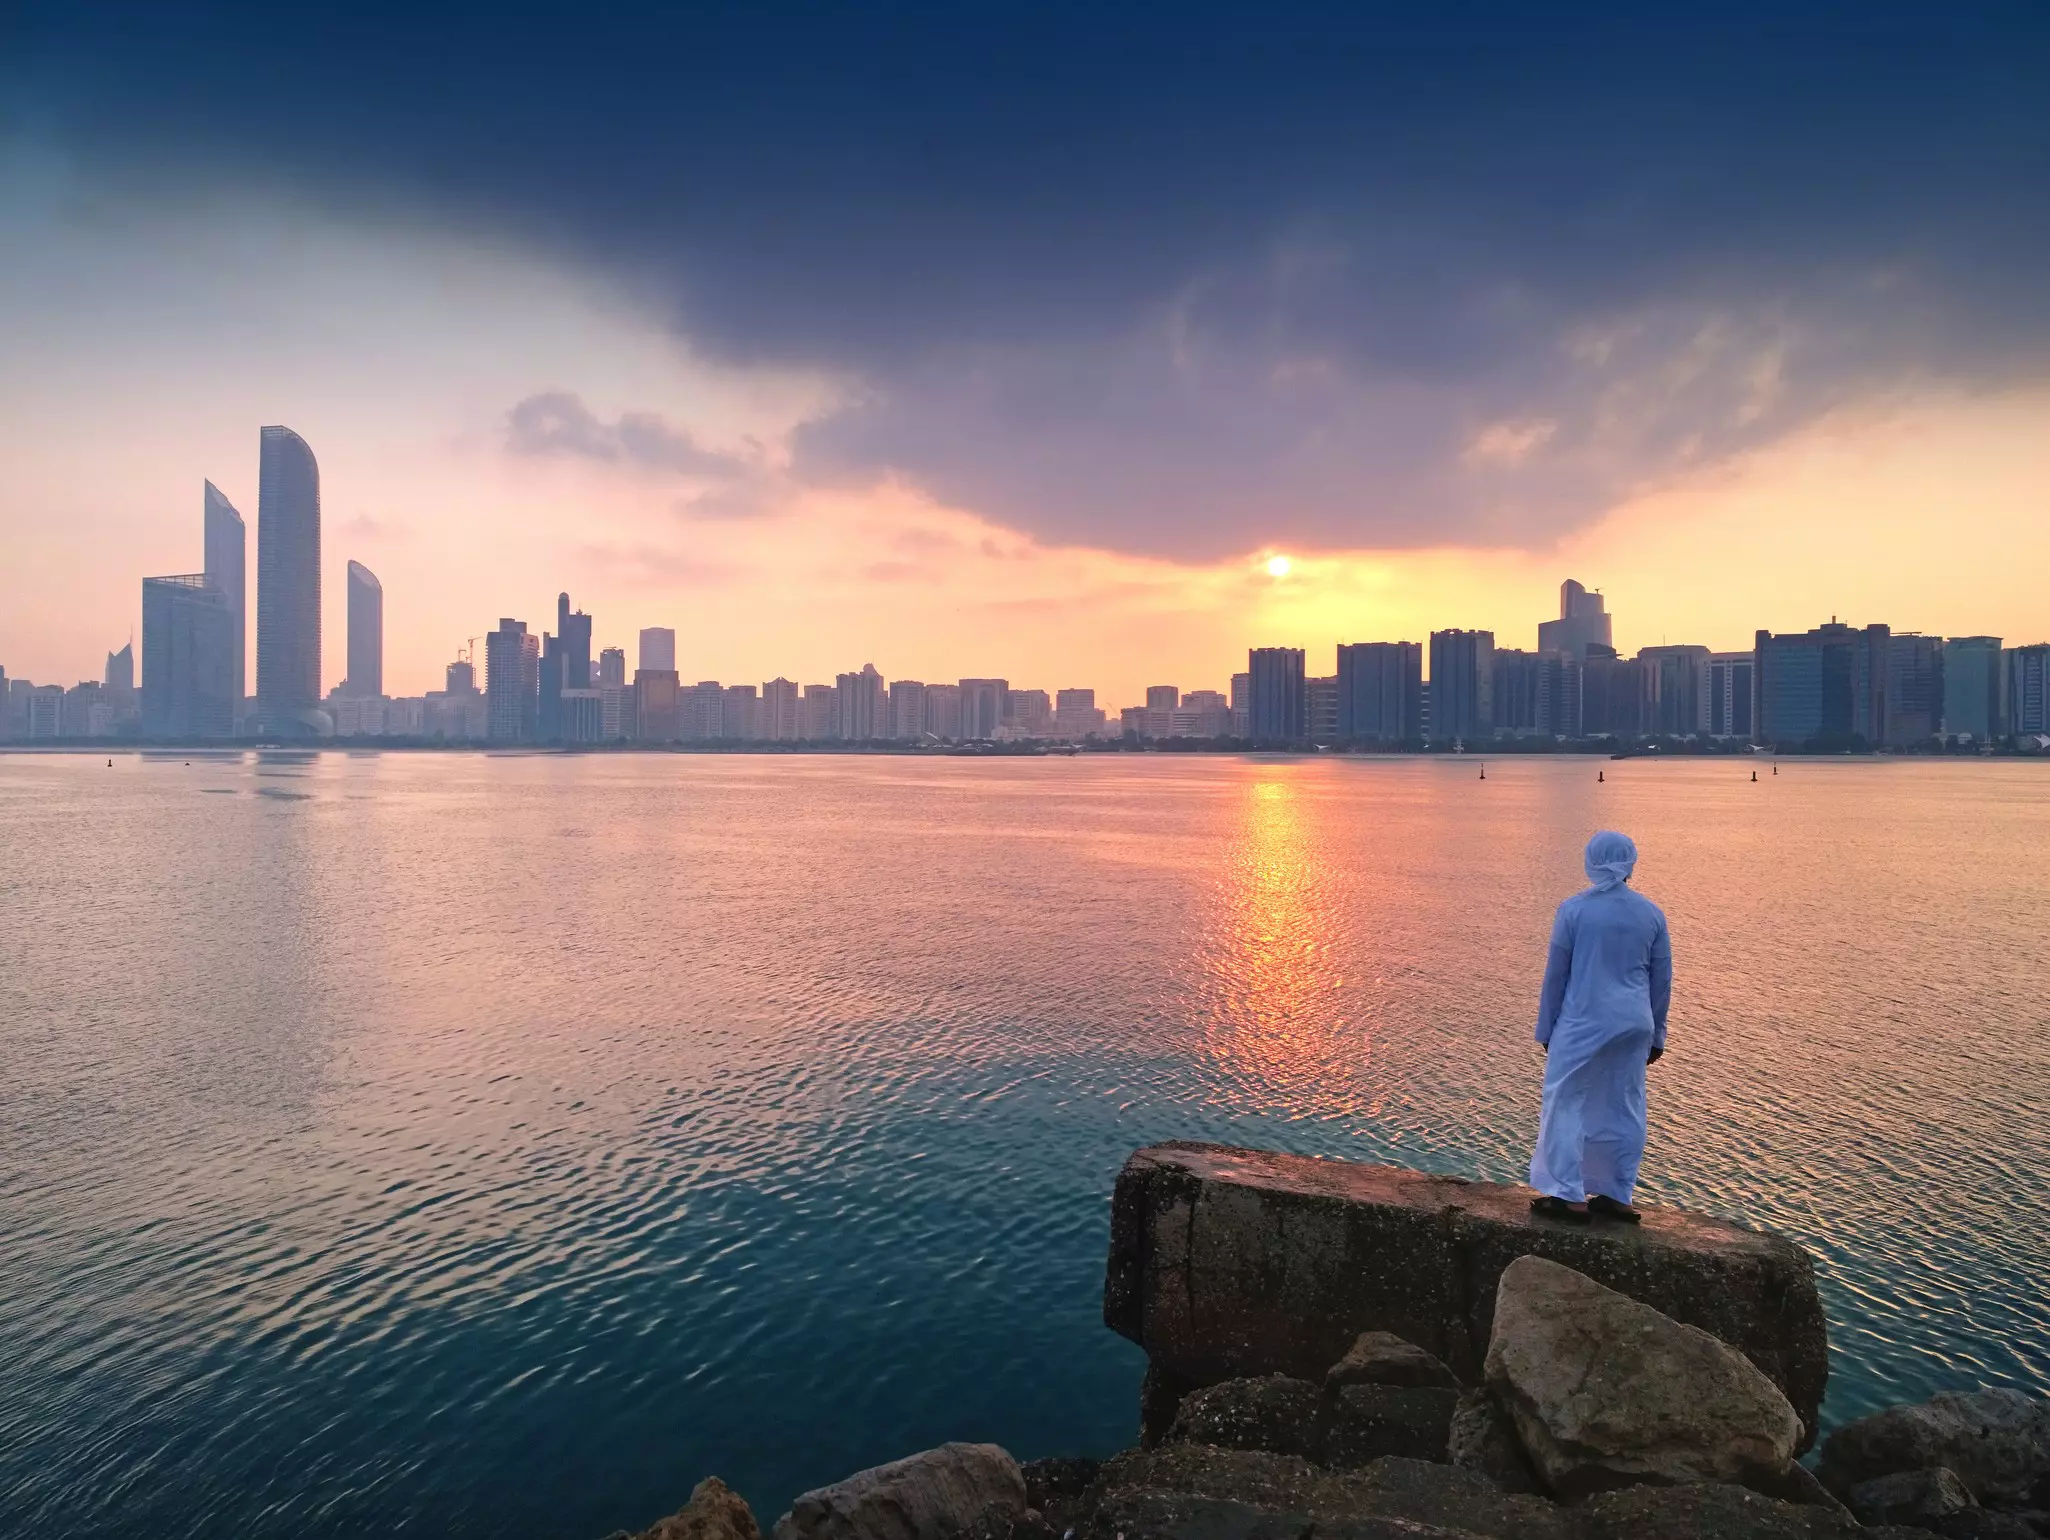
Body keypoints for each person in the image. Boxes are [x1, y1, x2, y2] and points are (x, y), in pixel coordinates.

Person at [1528, 830, 1672, 1223]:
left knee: (1565, 1102)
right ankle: (1617, 1194)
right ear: (1631, 863)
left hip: (1584, 1021)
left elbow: (1556, 975)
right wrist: (1657, 1034)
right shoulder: (1651, 913)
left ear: (1590, 861)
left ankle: (1568, 1194)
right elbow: (1661, 980)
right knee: (1624, 1106)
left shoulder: (1574, 910)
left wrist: (1546, 1029)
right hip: (1634, 1023)